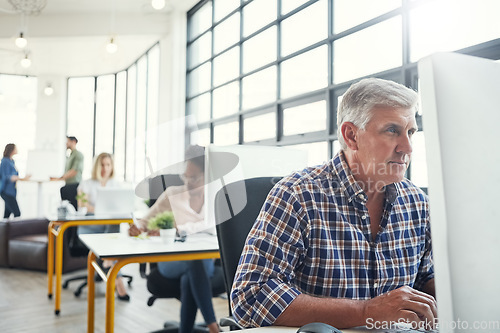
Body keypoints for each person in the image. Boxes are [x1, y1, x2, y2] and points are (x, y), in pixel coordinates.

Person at [231, 78, 436, 330]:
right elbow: (251, 297)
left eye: (411, 132)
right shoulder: (297, 195)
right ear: (351, 136)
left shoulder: (417, 203)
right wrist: (366, 312)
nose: (407, 147)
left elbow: (424, 278)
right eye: (392, 130)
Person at [129, 145, 220, 333]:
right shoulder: (172, 195)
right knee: (193, 261)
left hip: (206, 262)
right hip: (170, 263)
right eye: (186, 176)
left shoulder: (215, 199)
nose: (188, 182)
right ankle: (214, 327)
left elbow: (213, 229)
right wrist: (138, 228)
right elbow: (145, 222)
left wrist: (179, 228)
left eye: (194, 177)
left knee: (191, 272)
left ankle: (186, 330)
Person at [77, 152, 130, 301]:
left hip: (109, 225)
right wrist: (101, 210)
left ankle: (108, 261)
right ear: (96, 166)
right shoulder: (85, 183)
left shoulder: (116, 184)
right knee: (112, 227)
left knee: (113, 222)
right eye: (102, 165)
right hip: (90, 226)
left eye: (108, 165)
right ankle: (118, 282)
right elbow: (82, 203)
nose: (105, 168)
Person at [0, 144, 31, 218]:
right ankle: (15, 229)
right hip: (6, 191)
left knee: (7, 215)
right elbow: (8, 177)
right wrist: (21, 178)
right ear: (11, 149)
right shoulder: (5, 161)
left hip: (12, 191)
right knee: (17, 213)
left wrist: (22, 178)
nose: (17, 149)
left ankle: (4, 229)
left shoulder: (12, 161)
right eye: (15, 148)